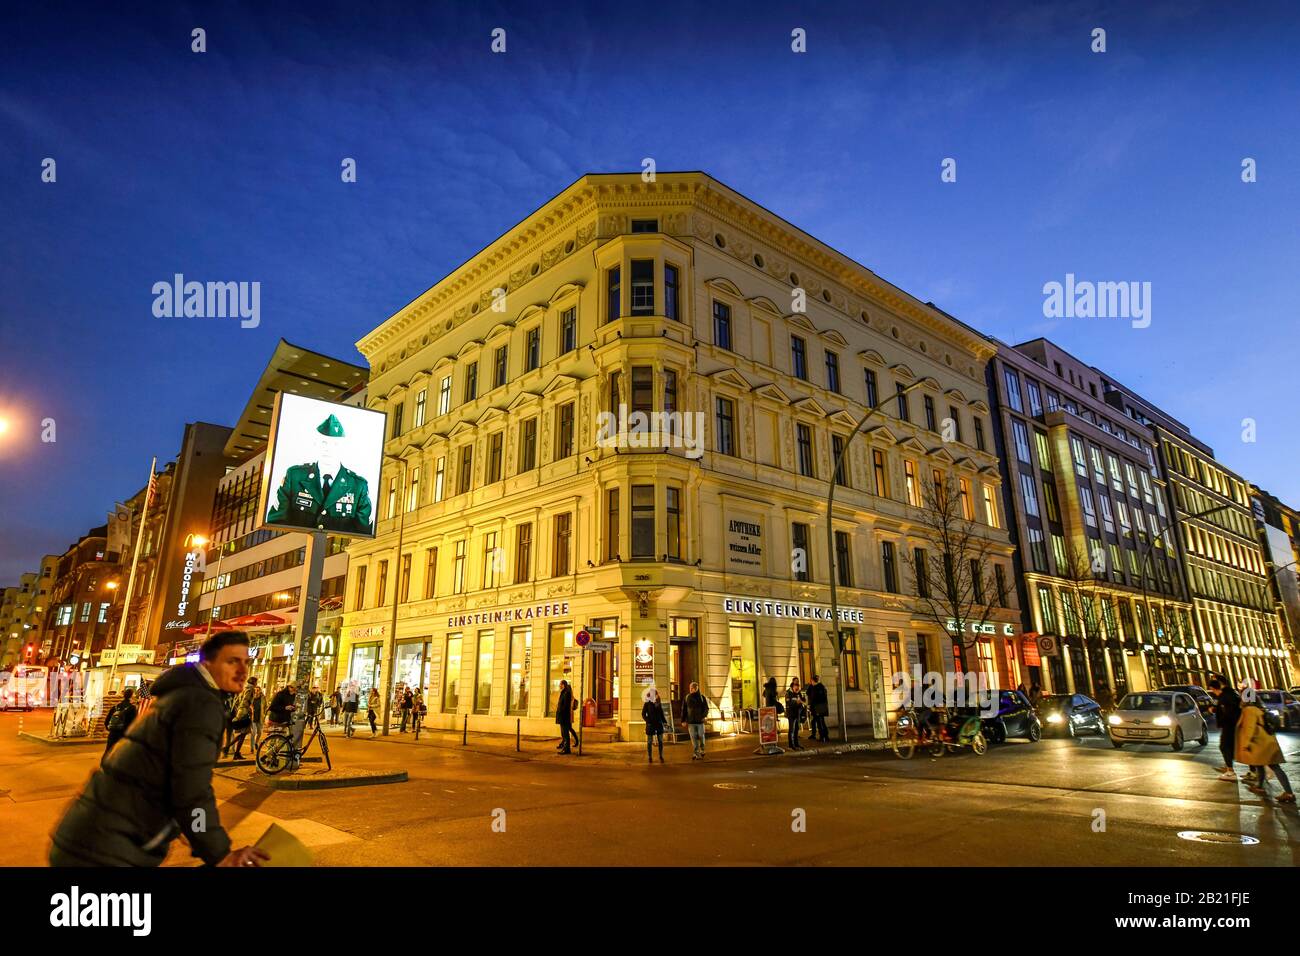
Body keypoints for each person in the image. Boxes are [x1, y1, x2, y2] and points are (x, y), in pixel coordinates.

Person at [49, 631, 270, 867]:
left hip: (91, 836)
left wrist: (188, 830)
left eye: (246, 662)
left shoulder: (181, 695)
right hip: (108, 849)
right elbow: (191, 791)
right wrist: (220, 853)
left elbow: (167, 781)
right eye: (232, 661)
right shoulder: (201, 704)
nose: (243, 670)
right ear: (208, 663)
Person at [265, 413, 374, 534]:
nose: (328, 449)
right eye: (324, 443)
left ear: (343, 447)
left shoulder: (358, 486)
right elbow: (276, 521)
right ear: (315, 443)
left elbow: (364, 531)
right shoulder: (295, 476)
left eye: (335, 444)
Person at [1236, 696, 1295, 803]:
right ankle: (1259, 785)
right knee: (1259, 764)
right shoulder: (1259, 709)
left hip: (1261, 743)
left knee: (1274, 766)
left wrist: (1245, 744)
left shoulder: (1249, 710)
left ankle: (1289, 793)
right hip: (1265, 741)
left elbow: (1250, 728)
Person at [1208, 678, 1242, 781]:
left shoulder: (1225, 696)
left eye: (1213, 690)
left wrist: (1221, 718)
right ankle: (1252, 770)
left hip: (1229, 725)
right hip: (1235, 724)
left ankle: (1230, 770)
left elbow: (1228, 711)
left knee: (1225, 746)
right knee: (1235, 747)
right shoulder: (1233, 694)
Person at [224, 681, 255, 760]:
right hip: (244, 714)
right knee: (243, 734)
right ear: (254, 682)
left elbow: (238, 702)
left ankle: (231, 750)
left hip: (241, 713)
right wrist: (247, 710)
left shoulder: (244, 689)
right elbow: (245, 701)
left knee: (242, 734)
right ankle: (235, 752)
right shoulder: (250, 689)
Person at [103, 688, 137, 756]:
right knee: (119, 753)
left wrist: (111, 728)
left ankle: (104, 764)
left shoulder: (116, 707)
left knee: (109, 750)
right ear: (131, 696)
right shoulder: (132, 708)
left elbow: (107, 720)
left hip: (113, 732)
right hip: (123, 734)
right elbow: (134, 722)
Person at [682, 681, 709, 760]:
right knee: (693, 738)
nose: (691, 690)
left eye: (692, 688)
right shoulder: (687, 698)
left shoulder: (701, 697)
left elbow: (706, 708)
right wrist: (683, 720)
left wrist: (703, 716)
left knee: (701, 736)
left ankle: (702, 749)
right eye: (690, 688)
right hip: (691, 722)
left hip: (700, 721)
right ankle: (696, 753)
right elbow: (683, 709)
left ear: (696, 689)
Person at [642, 688, 666, 763]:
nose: (654, 696)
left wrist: (664, 721)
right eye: (653, 694)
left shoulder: (658, 702)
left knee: (660, 741)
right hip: (650, 724)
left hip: (659, 723)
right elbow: (643, 714)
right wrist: (647, 720)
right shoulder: (647, 703)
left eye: (655, 694)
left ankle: (661, 756)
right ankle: (650, 757)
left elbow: (661, 713)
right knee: (649, 741)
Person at [555, 679, 578, 754]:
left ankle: (567, 749)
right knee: (564, 732)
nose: (559, 686)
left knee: (565, 732)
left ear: (564, 685)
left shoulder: (566, 693)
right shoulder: (564, 692)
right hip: (563, 716)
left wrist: (560, 711)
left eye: (560, 684)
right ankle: (565, 746)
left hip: (564, 716)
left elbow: (565, 706)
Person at [807, 674, 830, 742]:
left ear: (813, 681)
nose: (811, 682)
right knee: (821, 722)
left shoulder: (818, 688)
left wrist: (811, 706)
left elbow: (815, 699)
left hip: (818, 708)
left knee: (820, 723)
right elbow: (808, 693)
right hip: (820, 708)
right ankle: (825, 736)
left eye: (812, 681)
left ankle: (823, 737)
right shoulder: (818, 687)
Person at [785, 678, 806, 750]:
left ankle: (796, 744)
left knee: (796, 729)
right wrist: (796, 702)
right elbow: (788, 703)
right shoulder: (788, 693)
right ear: (793, 686)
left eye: (798, 689)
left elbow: (803, 701)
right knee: (792, 729)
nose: (797, 690)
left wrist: (802, 701)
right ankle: (791, 745)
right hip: (791, 714)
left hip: (797, 713)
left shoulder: (798, 693)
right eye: (796, 689)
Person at [248, 678, 264, 752]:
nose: (257, 691)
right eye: (256, 690)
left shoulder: (263, 698)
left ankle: (256, 743)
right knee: (253, 733)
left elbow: (266, 706)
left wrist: (265, 713)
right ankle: (252, 748)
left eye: (258, 690)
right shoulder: (252, 697)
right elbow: (248, 704)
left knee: (260, 733)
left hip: (260, 717)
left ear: (260, 691)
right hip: (253, 718)